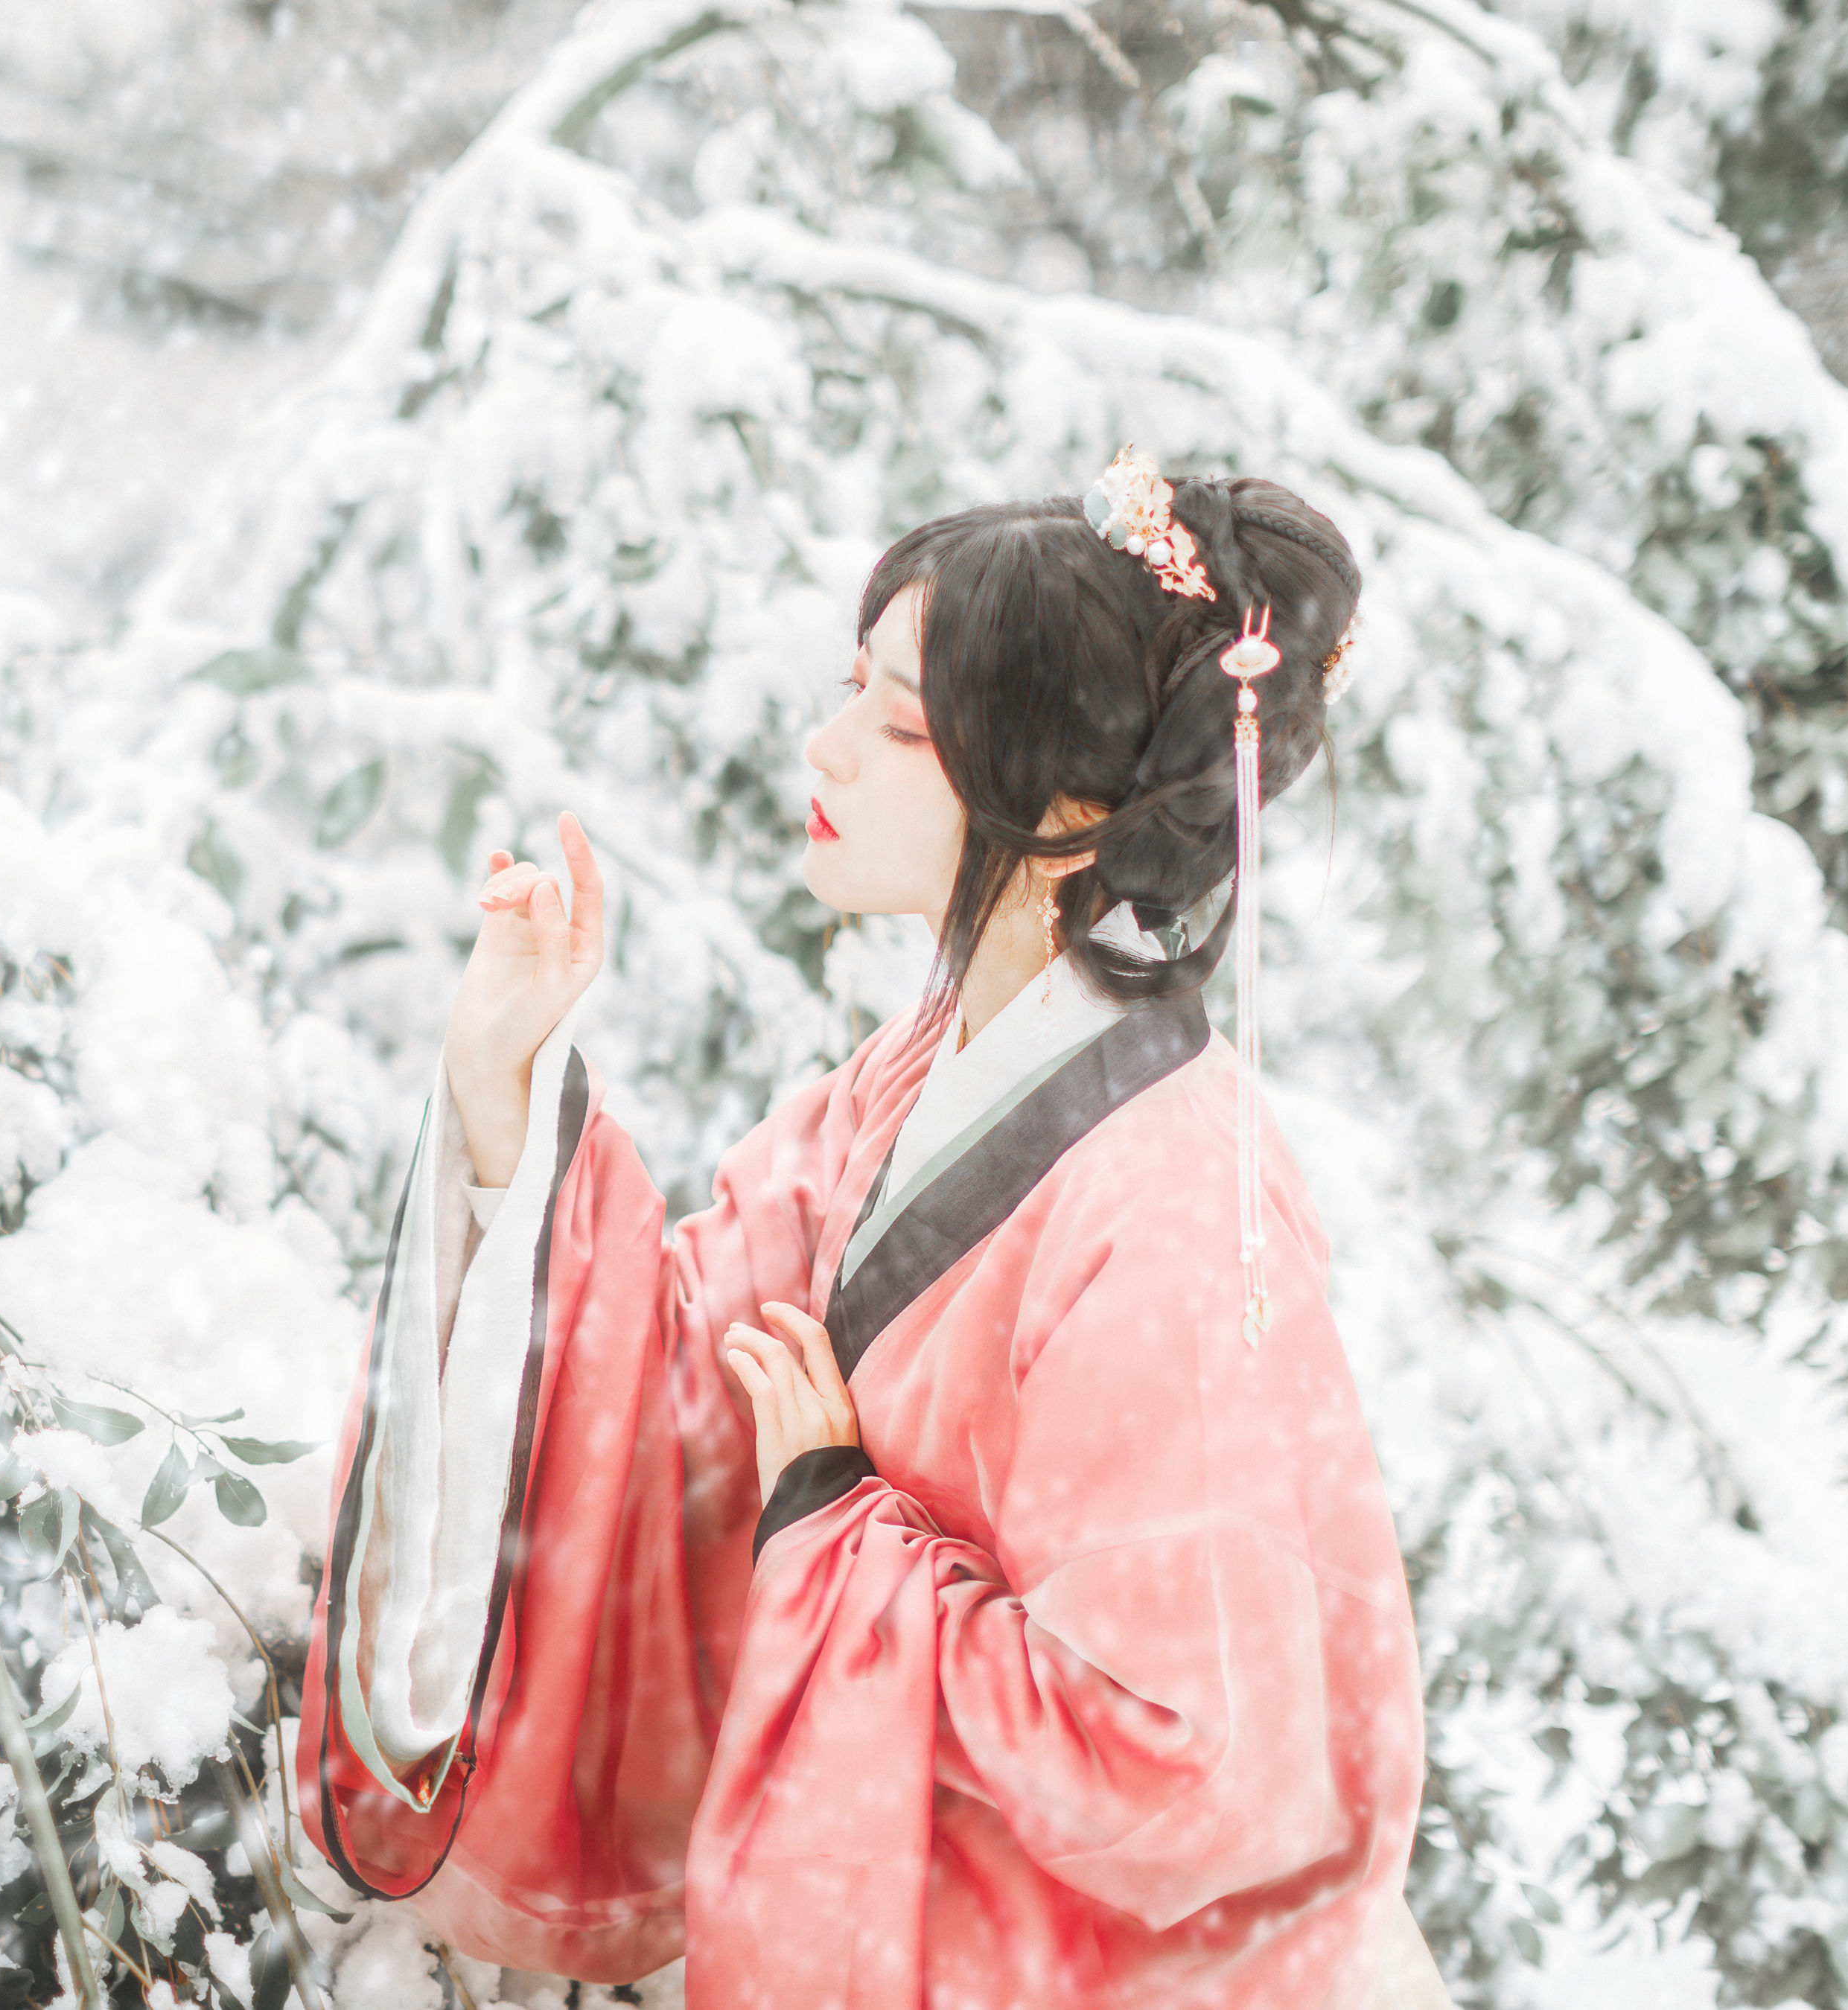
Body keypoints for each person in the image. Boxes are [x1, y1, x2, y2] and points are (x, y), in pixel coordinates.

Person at [296, 459, 1450, 2009]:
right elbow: (677, 1375)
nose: (826, 746)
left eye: (902, 725)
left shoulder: (1166, 1201)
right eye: (854, 689)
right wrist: (507, 1084)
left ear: (1073, 806)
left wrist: (838, 1523)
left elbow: (1189, 1766)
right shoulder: (910, 1073)